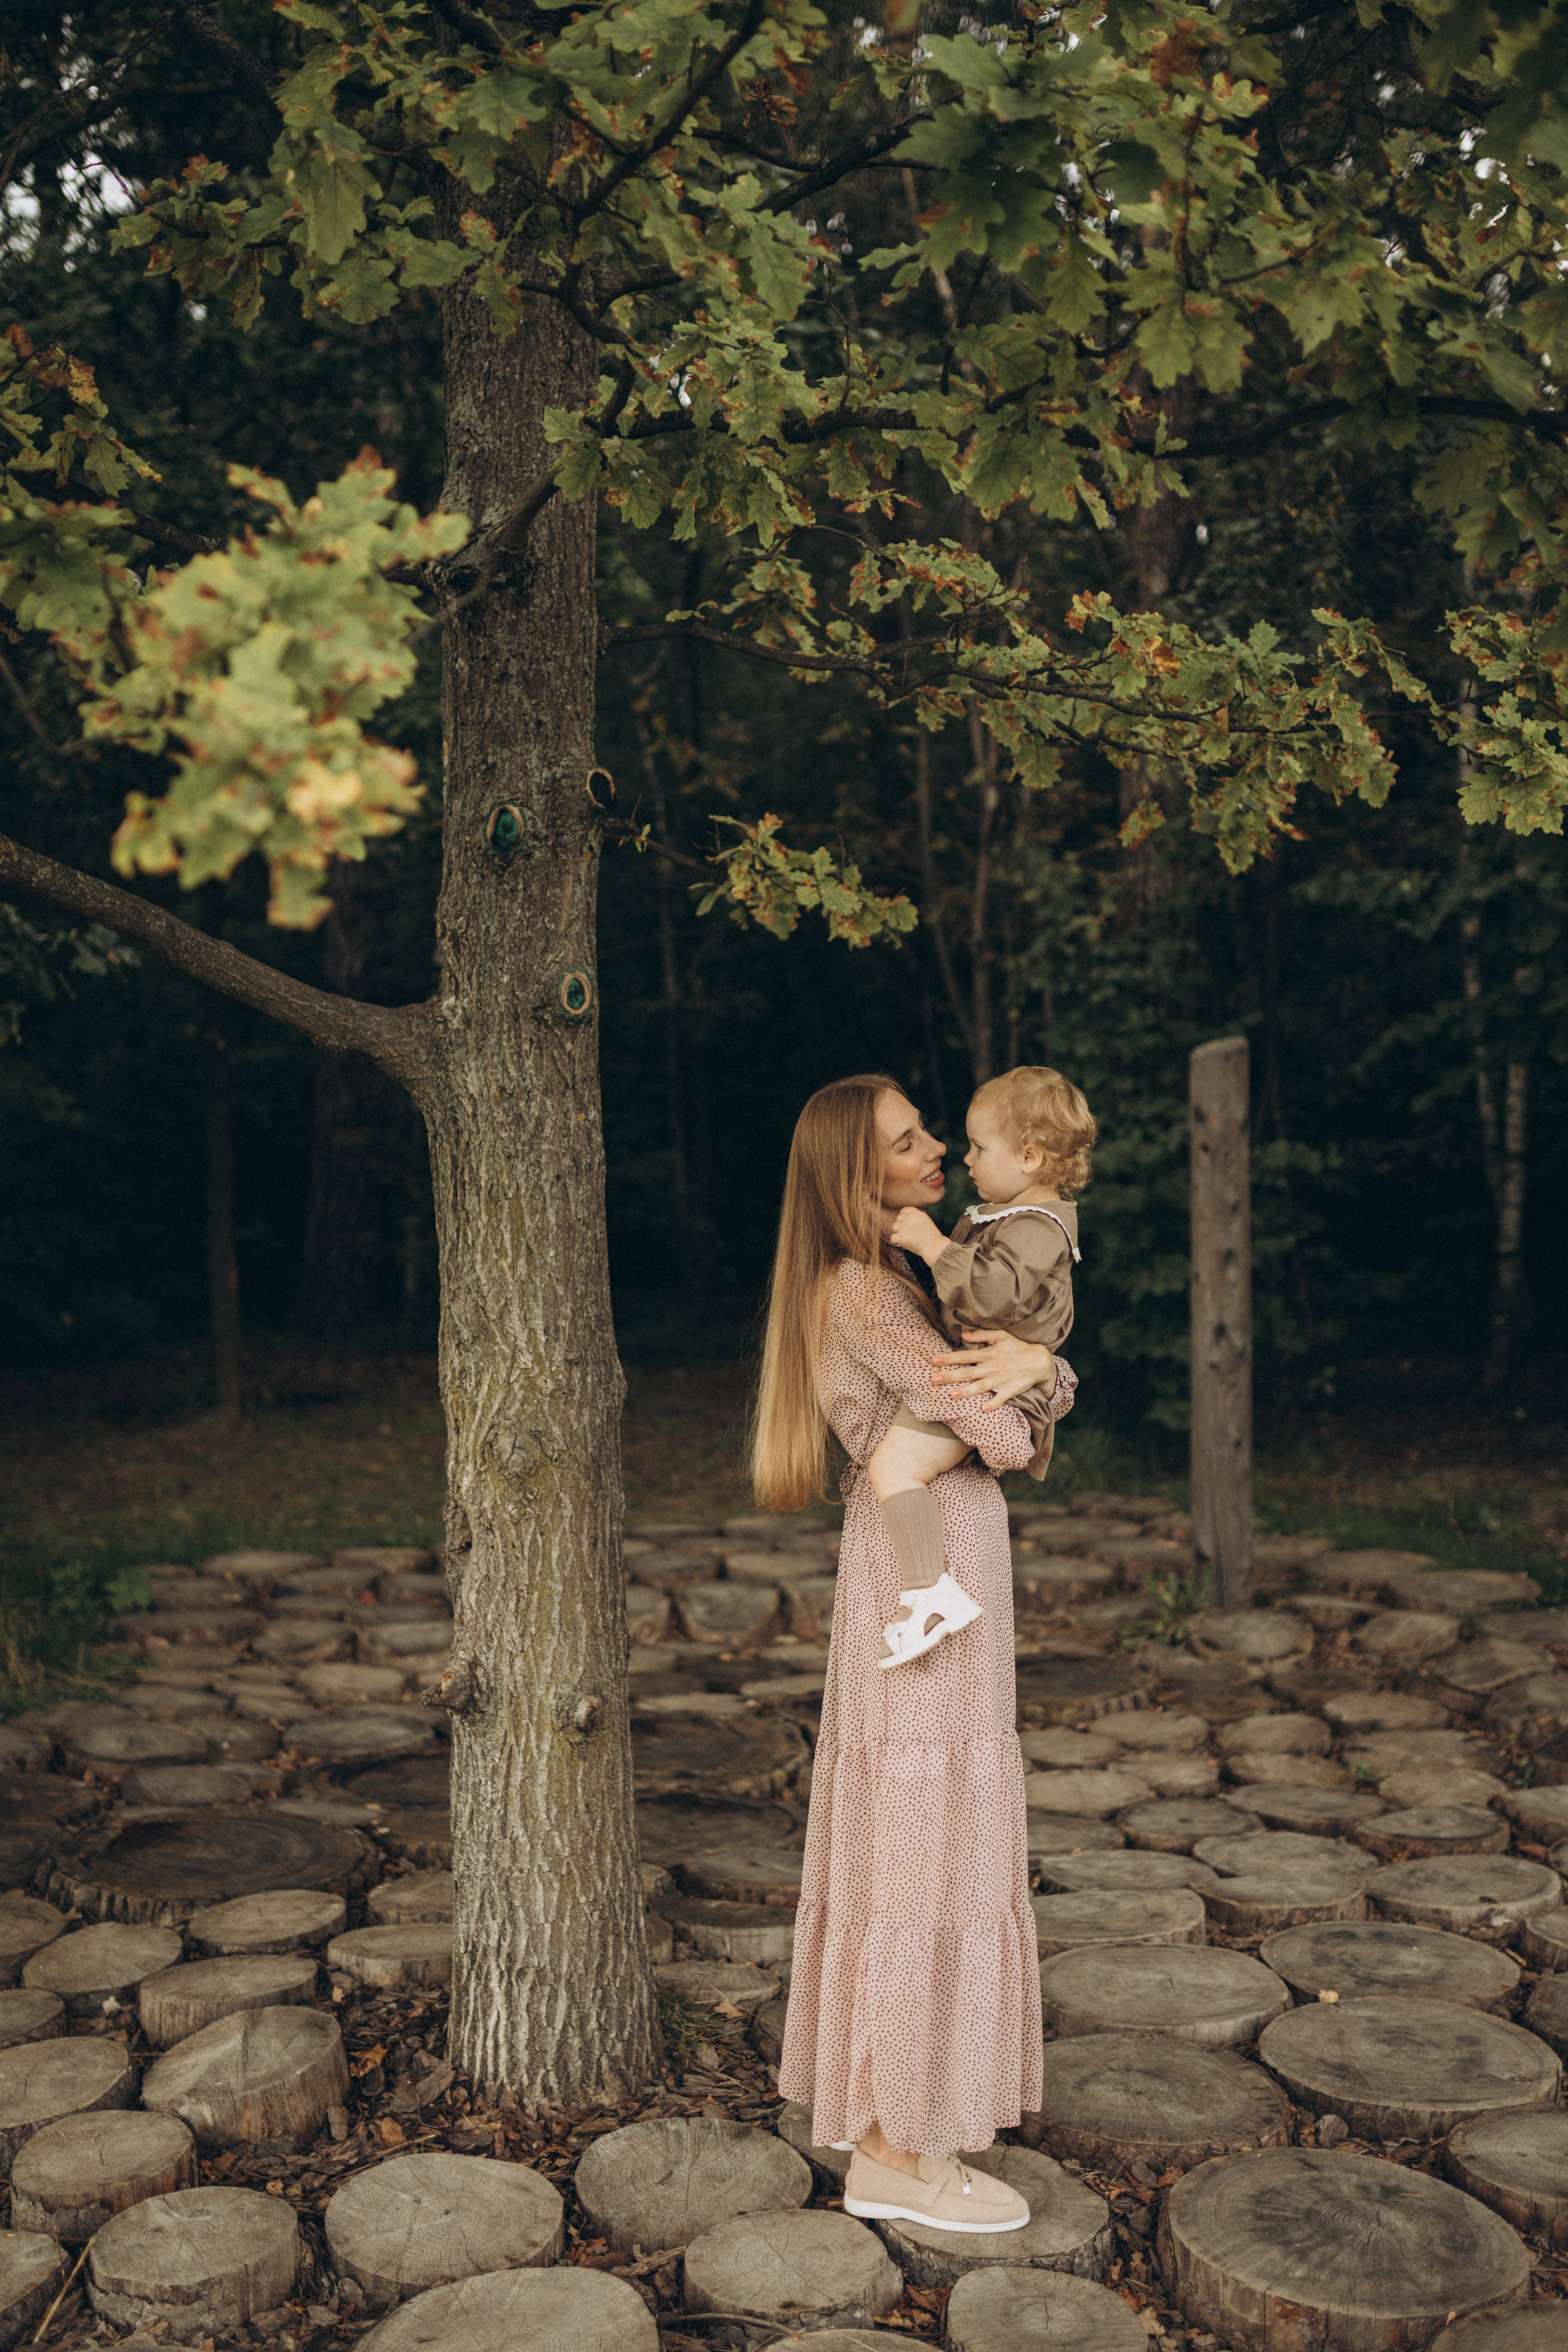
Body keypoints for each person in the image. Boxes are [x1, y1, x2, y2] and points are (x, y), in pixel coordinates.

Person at [751, 1072, 1061, 2233]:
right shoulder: (865, 1298)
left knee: (944, 1844)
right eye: (905, 1142)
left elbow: (1024, 1383)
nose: (933, 1148)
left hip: (948, 1560)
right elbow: (998, 1427)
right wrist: (1038, 1386)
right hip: (915, 1576)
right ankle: (892, 2145)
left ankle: (915, 2118)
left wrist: (1042, 1376)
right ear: (854, 1175)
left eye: (929, 1133)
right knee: (918, 1853)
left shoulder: (912, 1280)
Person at [866, 1066, 1094, 1668]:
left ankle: (929, 1594)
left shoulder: (1039, 1226)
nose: (963, 1158)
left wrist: (932, 1243)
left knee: (892, 1466)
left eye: (979, 1147)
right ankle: (929, 1593)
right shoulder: (1009, 1217)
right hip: (996, 1383)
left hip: (999, 1395)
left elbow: (992, 1298)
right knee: (895, 1464)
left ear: (1029, 1157)